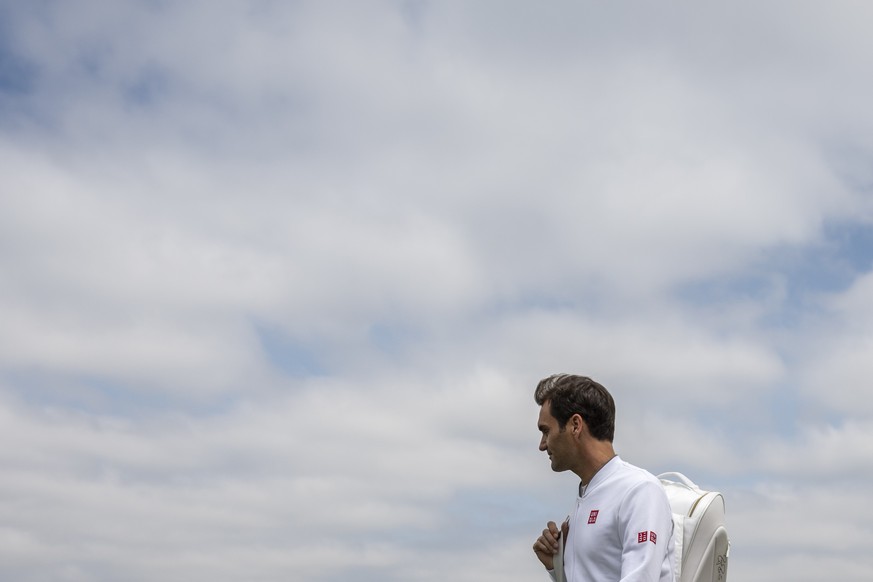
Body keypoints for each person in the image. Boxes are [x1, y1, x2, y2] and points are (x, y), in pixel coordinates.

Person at [532, 374, 675, 582]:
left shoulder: (640, 490)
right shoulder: (585, 498)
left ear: (575, 425)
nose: (542, 444)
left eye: (546, 431)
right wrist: (557, 568)